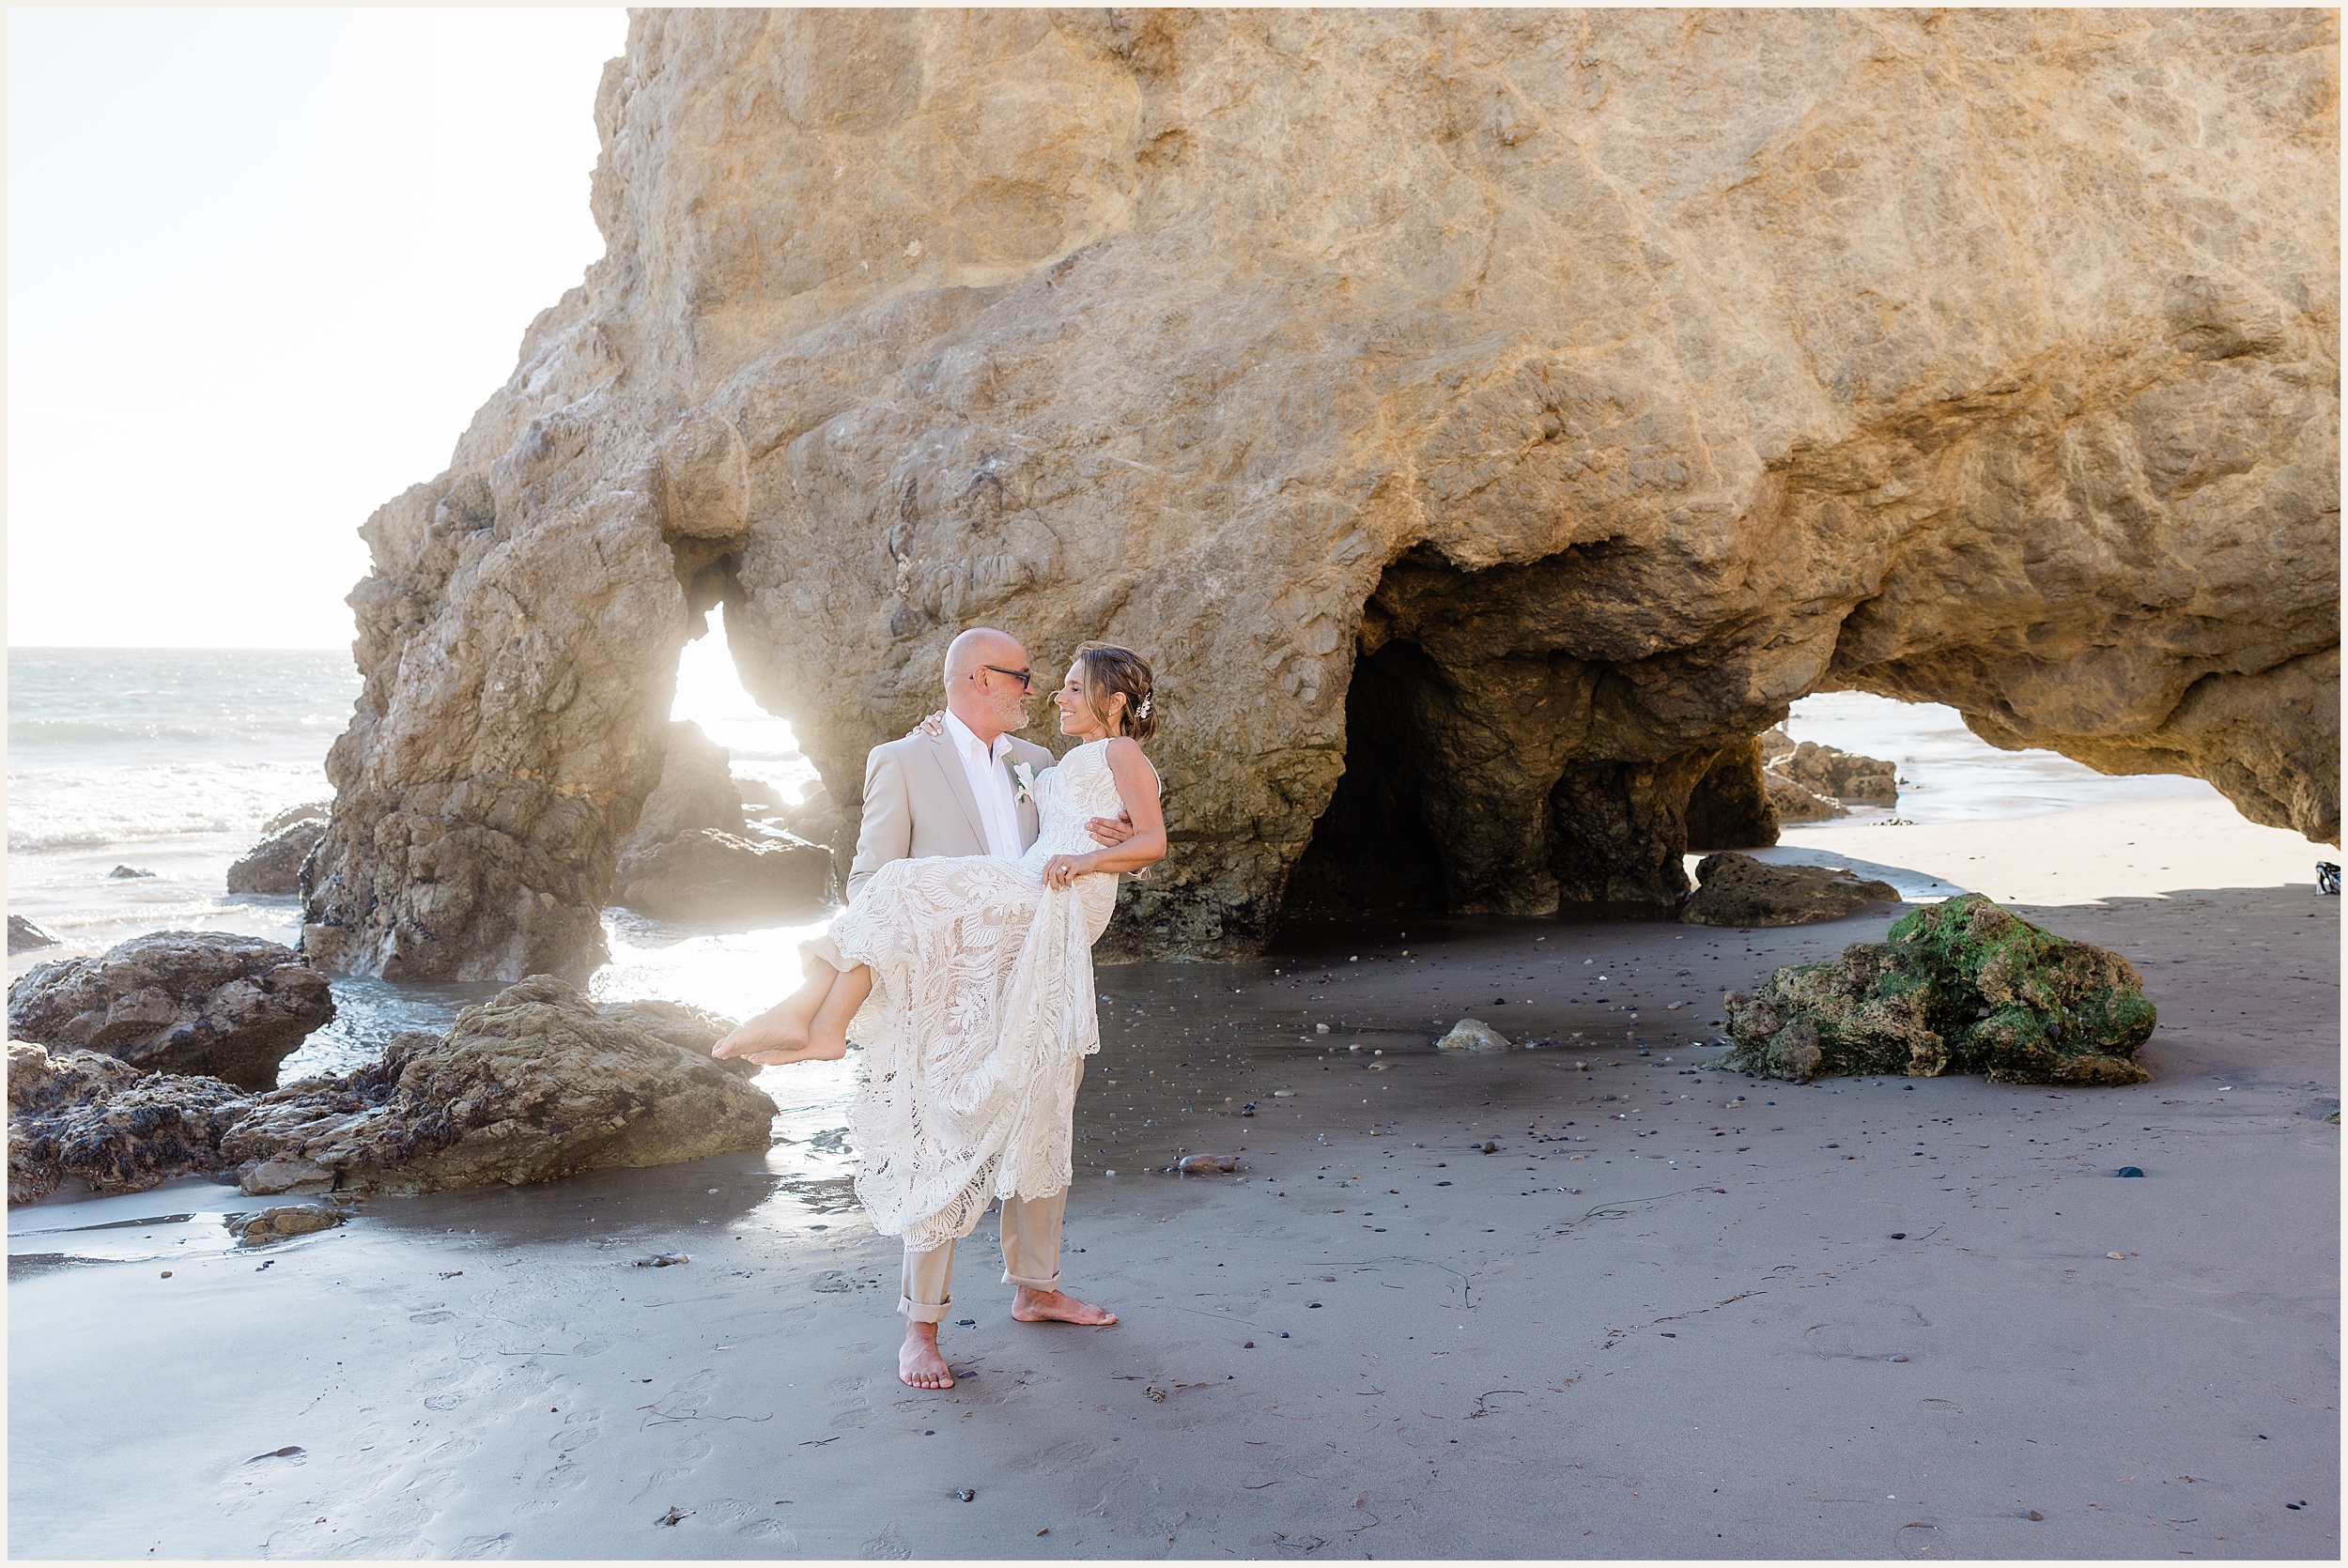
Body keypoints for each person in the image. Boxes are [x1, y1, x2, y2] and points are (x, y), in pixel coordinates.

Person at [712, 631, 1167, 1390]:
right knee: (942, 1130)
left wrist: (1112, 838)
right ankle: (920, 1327)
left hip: (1037, 955)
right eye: (1026, 679)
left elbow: (1111, 823)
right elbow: (874, 877)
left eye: (1055, 683)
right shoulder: (904, 758)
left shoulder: (1040, 764)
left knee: (1044, 1110)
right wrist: (894, 957)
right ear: (983, 680)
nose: (1040, 692)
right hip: (950, 975)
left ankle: (1039, 1287)